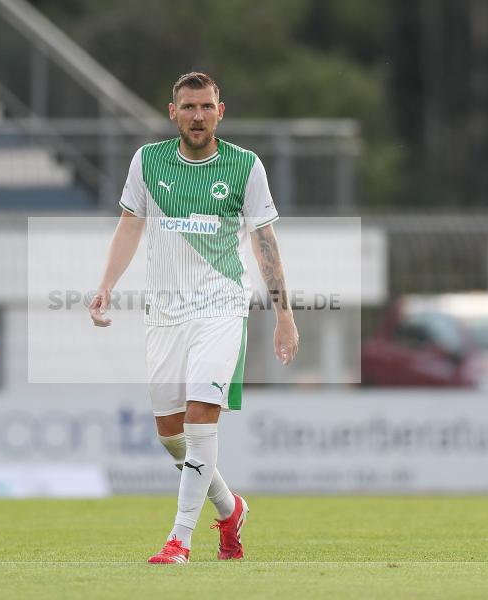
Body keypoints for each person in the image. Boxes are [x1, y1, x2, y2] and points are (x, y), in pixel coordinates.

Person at [88, 72, 299, 563]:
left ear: (220, 112)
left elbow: (265, 243)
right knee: (172, 436)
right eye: (189, 107)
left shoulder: (245, 166)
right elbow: (129, 227)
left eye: (206, 107)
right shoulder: (148, 161)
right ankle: (230, 509)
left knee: (202, 414)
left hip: (221, 307)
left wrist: (284, 315)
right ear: (173, 112)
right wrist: (106, 285)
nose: (198, 116)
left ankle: (179, 539)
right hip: (165, 313)